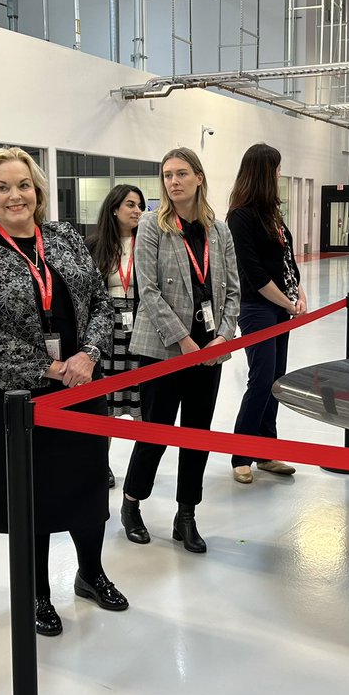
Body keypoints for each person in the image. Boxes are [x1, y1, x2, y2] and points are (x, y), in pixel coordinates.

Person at [0, 147, 127, 636]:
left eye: (24, 185)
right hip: (15, 399)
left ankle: (90, 573)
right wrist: (52, 367)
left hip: (80, 388)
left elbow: (99, 303)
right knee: (30, 499)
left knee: (87, 485)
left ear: (39, 192)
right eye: (3, 187)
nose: (16, 195)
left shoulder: (65, 238)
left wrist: (88, 355)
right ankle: (36, 592)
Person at [122, 147, 240, 553]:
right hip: (163, 349)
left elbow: (234, 292)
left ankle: (186, 514)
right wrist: (184, 341)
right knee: (155, 432)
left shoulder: (219, 231)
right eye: (168, 175)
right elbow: (148, 291)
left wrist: (223, 336)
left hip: (209, 351)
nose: (173, 182)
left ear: (199, 178)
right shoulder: (153, 226)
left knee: (197, 434)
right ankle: (132, 503)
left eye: (182, 174)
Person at [226, 143, 305, 485]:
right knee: (261, 378)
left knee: (276, 379)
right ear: (263, 173)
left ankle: (266, 450)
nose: (279, 175)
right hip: (257, 307)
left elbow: (287, 261)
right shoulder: (240, 216)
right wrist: (287, 303)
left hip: (280, 306)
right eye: (275, 170)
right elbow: (254, 274)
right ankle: (241, 453)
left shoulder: (272, 213)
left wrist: (299, 293)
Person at [87, 184, 146, 490]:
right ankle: (101, 462)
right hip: (107, 332)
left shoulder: (149, 244)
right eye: (130, 205)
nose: (137, 211)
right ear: (114, 209)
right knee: (105, 402)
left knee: (142, 399)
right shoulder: (94, 245)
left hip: (142, 329)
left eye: (140, 206)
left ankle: (143, 465)